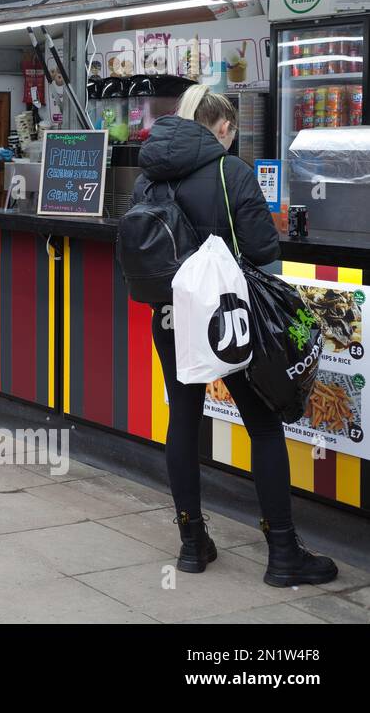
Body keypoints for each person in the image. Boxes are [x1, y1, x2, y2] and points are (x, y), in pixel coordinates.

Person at [133, 84, 337, 588]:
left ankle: (191, 545)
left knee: (183, 420)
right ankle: (283, 553)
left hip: (172, 317)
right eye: (232, 132)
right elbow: (266, 259)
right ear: (222, 128)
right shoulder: (233, 172)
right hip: (232, 320)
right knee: (263, 426)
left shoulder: (149, 176)